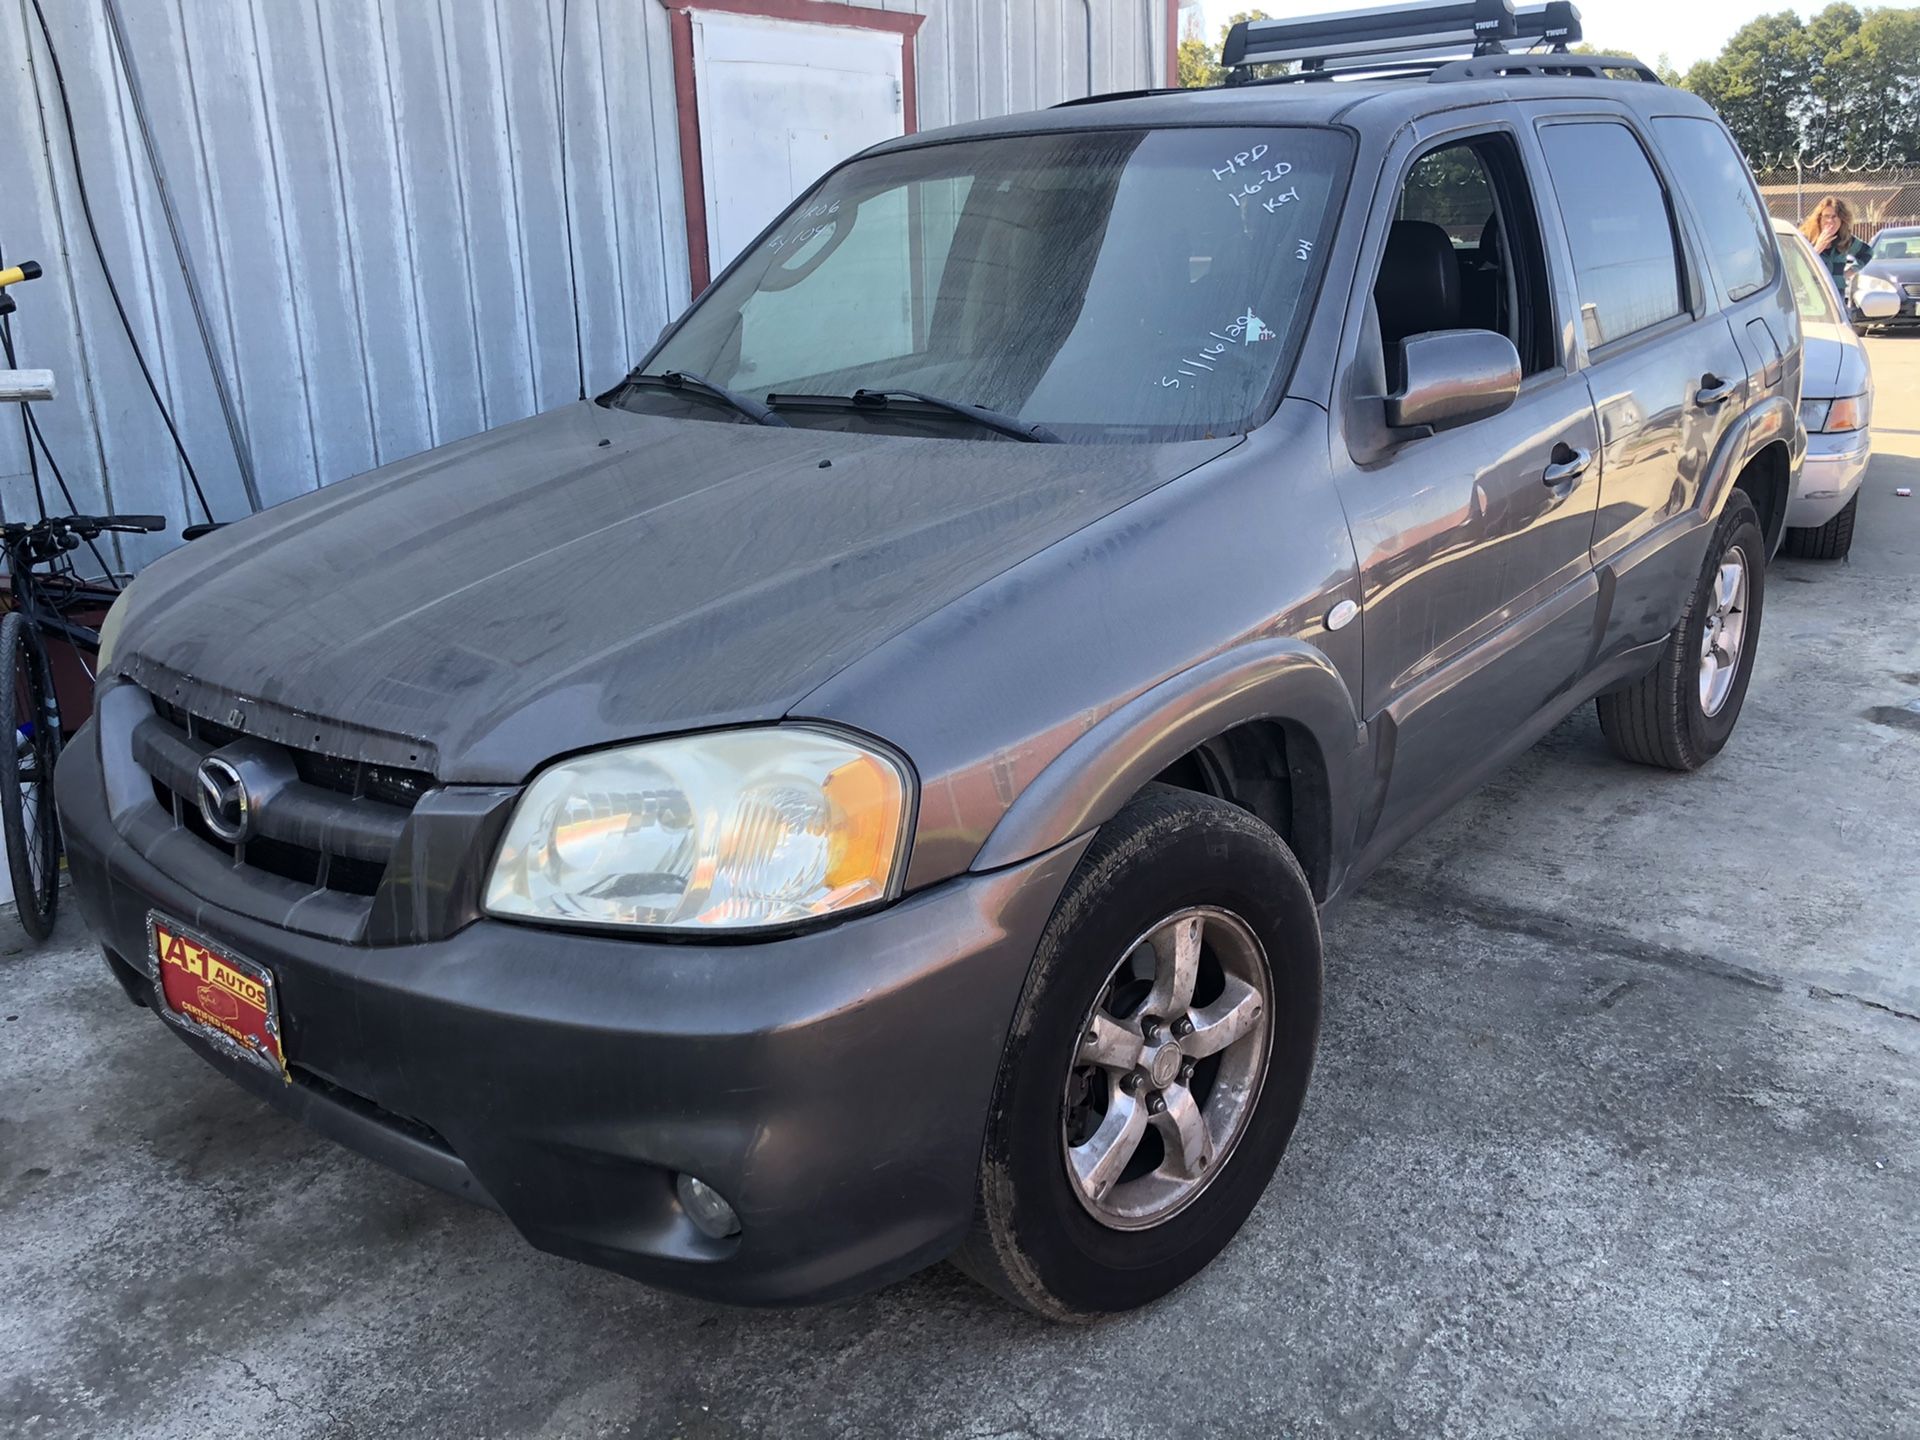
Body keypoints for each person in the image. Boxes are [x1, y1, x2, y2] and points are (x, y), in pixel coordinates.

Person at [1802, 195, 1872, 299]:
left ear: (1842, 220)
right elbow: (1796, 268)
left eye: (1835, 216)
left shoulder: (1845, 239)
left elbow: (1868, 253)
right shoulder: (1805, 238)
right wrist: (1816, 249)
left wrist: (1848, 273)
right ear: (1819, 219)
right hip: (1812, 298)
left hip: (1837, 298)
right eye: (1826, 216)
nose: (1830, 221)